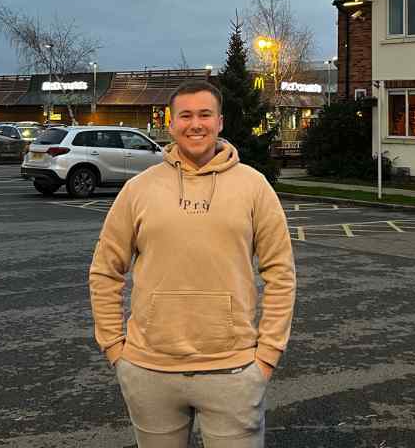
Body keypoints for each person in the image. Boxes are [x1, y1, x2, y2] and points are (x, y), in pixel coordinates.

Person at [89, 80, 296, 447]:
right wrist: (115, 349)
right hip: (149, 372)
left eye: (205, 114)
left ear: (220, 122)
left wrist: (267, 356)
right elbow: (106, 270)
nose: (195, 124)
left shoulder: (254, 186)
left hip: (232, 370)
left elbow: (281, 273)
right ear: (171, 124)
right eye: (185, 115)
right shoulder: (139, 189)